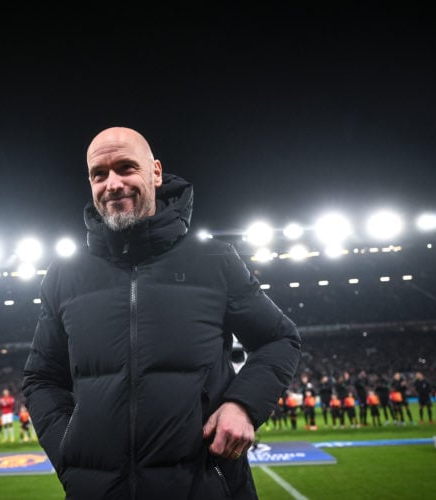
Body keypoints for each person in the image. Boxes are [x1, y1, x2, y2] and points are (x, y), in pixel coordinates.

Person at [22, 126, 301, 499]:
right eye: (99, 174)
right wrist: (68, 452)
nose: (113, 183)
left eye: (126, 168)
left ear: (155, 172)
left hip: (204, 486)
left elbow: (279, 339)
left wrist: (243, 405)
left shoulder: (214, 261)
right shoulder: (65, 275)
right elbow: (41, 378)